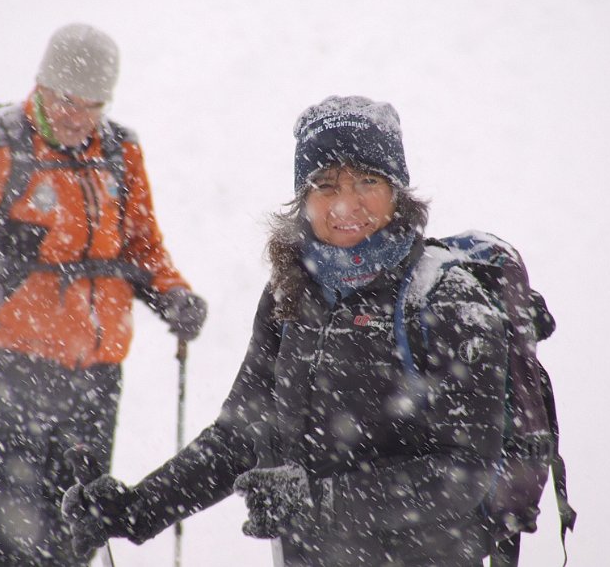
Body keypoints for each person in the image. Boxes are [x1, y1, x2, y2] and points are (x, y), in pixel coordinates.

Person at [61, 95, 509, 566]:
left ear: (397, 192)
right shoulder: (293, 292)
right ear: (304, 198)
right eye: (325, 185)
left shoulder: (446, 299)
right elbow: (240, 434)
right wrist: (137, 510)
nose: (345, 204)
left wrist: (320, 502)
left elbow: (467, 472)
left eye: (368, 182)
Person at [0, 23, 207, 567]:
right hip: (17, 365)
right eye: (64, 99)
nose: (75, 115)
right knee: (10, 531)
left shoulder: (121, 151)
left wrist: (172, 293)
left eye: (92, 103)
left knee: (77, 525)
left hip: (96, 373)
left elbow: (142, 245)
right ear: (41, 84)